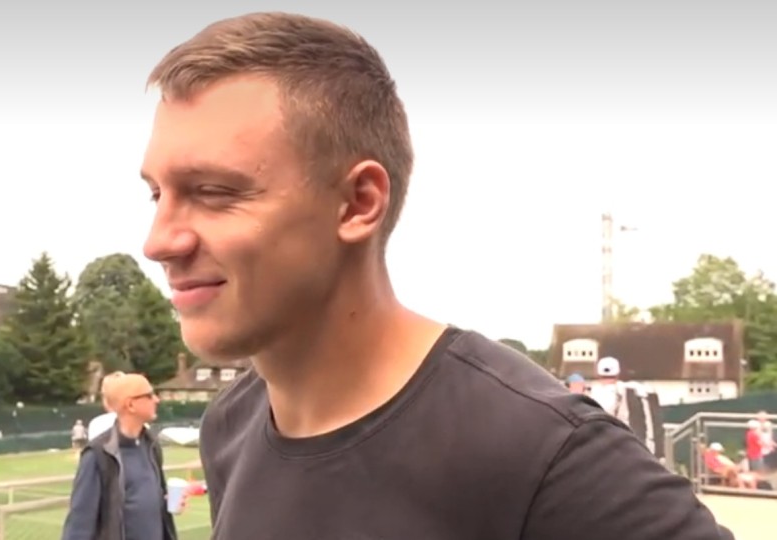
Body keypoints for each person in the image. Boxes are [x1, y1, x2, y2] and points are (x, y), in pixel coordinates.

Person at [139, 11, 728, 539]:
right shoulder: (230, 425)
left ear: (357, 203)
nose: (159, 241)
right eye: (157, 194)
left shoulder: (543, 451)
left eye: (213, 192)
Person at [61, 372, 181, 540]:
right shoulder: (97, 455)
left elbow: (145, 503)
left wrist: (166, 502)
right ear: (130, 405)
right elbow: (79, 524)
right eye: (149, 395)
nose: (157, 400)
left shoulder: (151, 445)